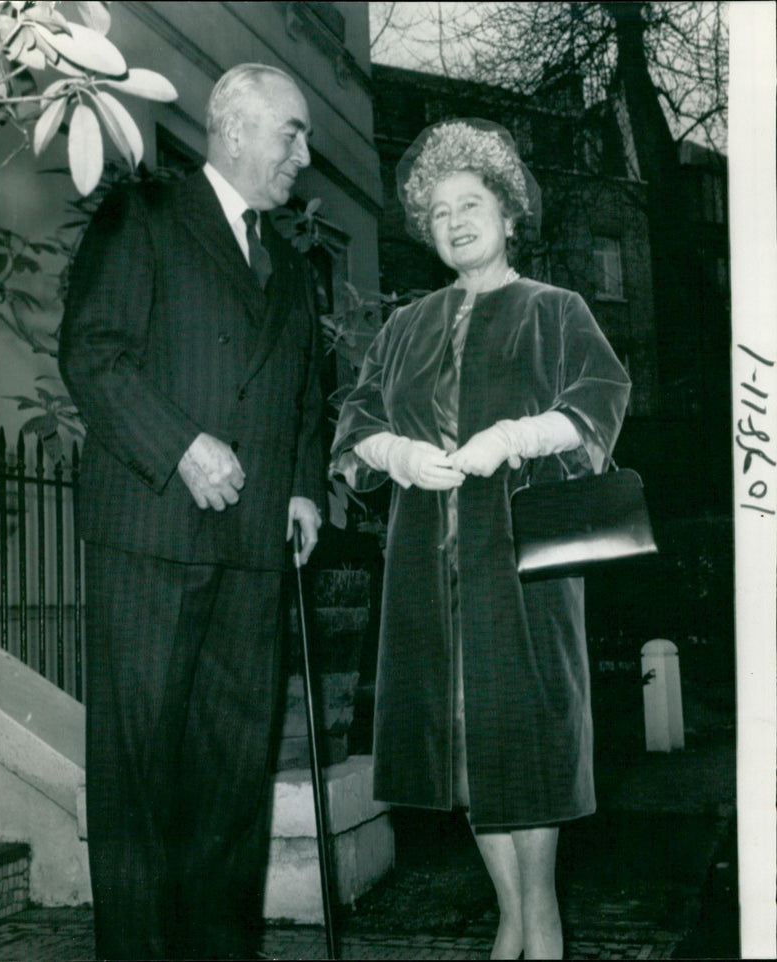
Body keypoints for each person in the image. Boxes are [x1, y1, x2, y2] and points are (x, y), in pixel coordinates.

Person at [330, 118, 631, 960]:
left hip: (522, 569)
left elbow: (603, 396)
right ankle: (520, 921)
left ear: (507, 215)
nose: (456, 221)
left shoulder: (556, 310)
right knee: (461, 747)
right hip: (428, 573)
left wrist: (518, 436)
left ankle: (535, 926)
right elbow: (356, 419)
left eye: (472, 204)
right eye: (438, 212)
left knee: (526, 743)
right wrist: (394, 451)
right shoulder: (403, 327)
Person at [59, 63, 325, 961]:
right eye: (292, 131)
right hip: (152, 538)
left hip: (252, 555)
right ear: (236, 128)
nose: (305, 152)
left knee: (231, 789)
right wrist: (180, 446)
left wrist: (303, 486)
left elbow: (307, 401)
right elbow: (92, 352)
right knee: (139, 784)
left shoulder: (292, 266)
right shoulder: (145, 215)